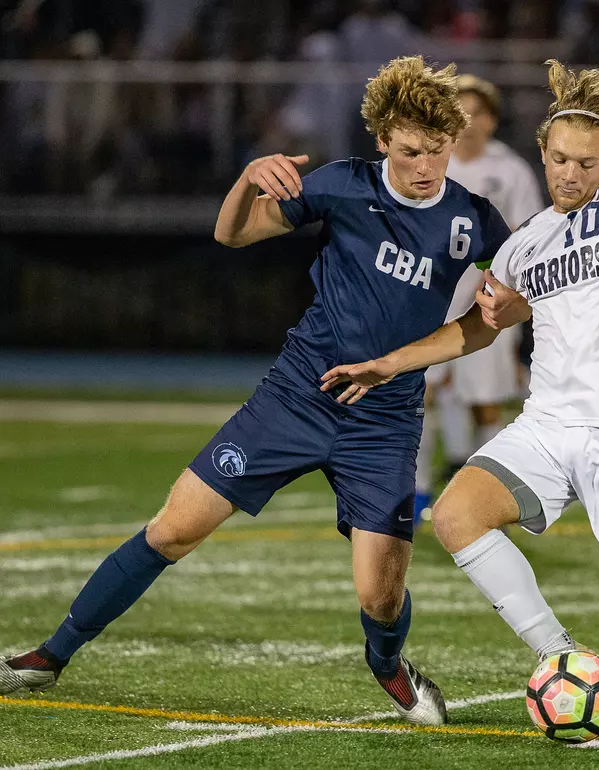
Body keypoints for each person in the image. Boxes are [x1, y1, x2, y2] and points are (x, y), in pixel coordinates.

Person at [0, 56, 525, 725]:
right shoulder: (340, 186)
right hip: (295, 398)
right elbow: (233, 233)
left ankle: (389, 667)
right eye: (410, 151)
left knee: (381, 597)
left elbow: (495, 318)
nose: (425, 165)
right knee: (173, 530)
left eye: (437, 151)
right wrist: (249, 178)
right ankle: (49, 656)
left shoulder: (475, 220)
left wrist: (411, 355)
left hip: (383, 421)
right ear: (382, 142)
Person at [320, 59, 599, 735]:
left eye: (585, 162)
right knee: (458, 515)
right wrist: (389, 363)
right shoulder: (524, 245)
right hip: (547, 426)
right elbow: (479, 329)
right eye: (558, 160)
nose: (570, 175)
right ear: (543, 156)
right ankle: (562, 654)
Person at [415, 74, 545, 522]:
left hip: (488, 298)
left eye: (476, 112)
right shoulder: (431, 163)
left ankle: (485, 496)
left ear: (491, 119)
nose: (467, 122)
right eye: (460, 112)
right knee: (420, 392)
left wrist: (504, 285)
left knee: (486, 400)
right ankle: (415, 492)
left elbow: (530, 234)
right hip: (430, 295)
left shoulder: (510, 170)